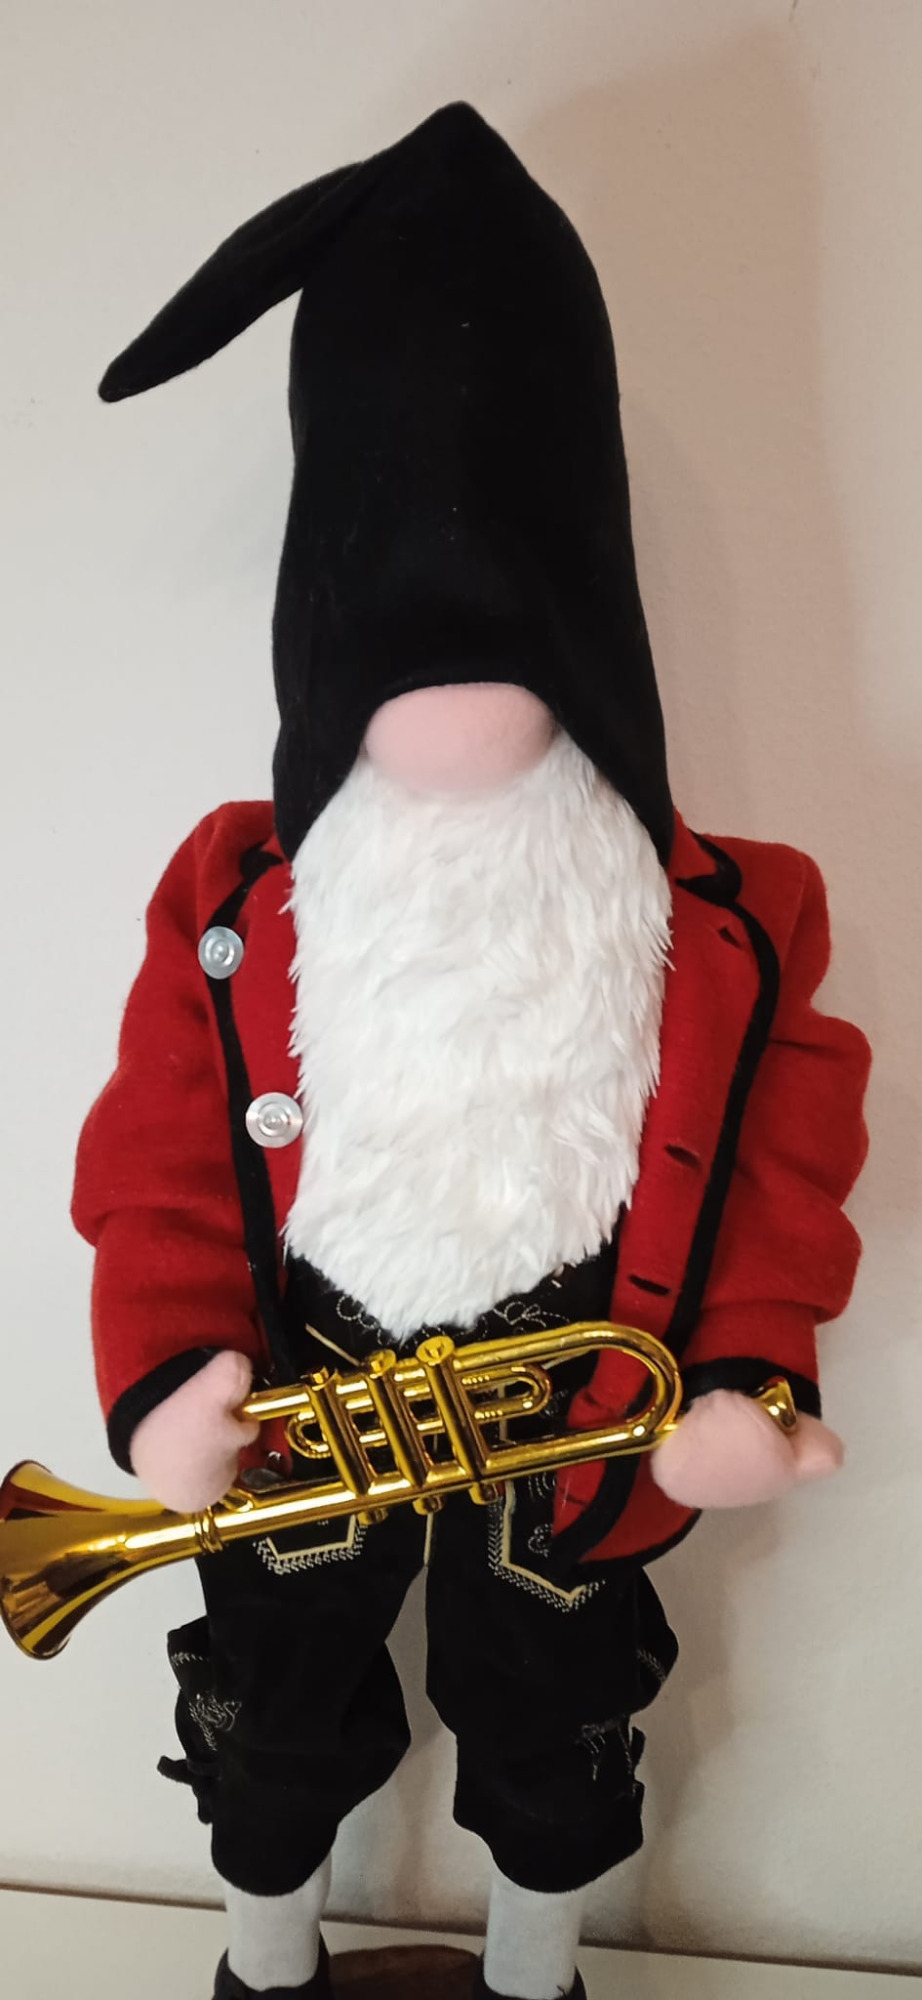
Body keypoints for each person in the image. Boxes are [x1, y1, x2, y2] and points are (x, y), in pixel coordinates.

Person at [72, 104, 870, 2000]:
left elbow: (785, 1165)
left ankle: (535, 1971)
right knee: (269, 1697)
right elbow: (157, 1161)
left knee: (559, 1707)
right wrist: (167, 1377)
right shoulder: (228, 891)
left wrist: (746, 1377)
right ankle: (263, 1963)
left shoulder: (738, 912)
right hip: (300, 1387)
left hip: (584, 1399)